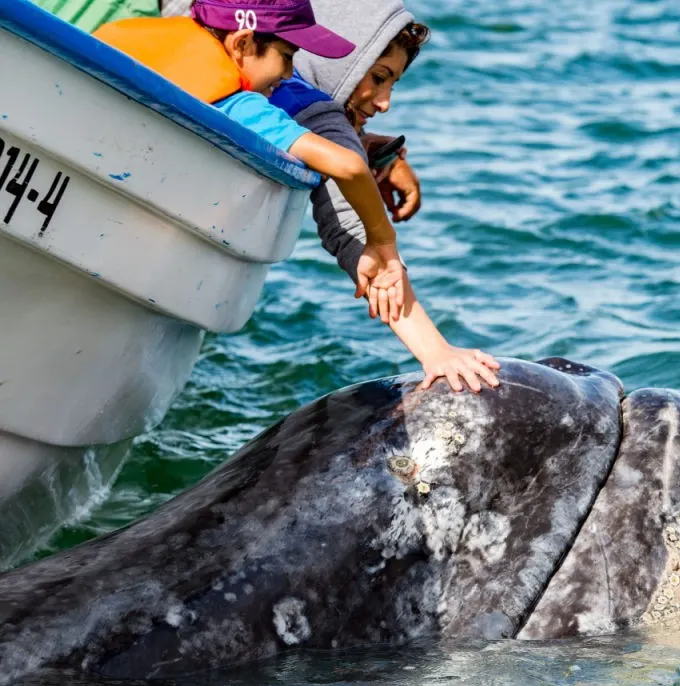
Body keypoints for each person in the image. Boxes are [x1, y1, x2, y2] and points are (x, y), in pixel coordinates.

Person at [95, 0, 408, 324]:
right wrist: (382, 239)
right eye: (286, 56)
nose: (289, 74)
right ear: (242, 43)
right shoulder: (239, 105)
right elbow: (350, 166)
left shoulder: (131, 39)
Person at [267, 0, 501, 393]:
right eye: (377, 77)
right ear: (338, 59)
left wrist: (377, 151)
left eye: (392, 83)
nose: (384, 102)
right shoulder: (319, 115)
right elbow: (357, 233)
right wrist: (435, 352)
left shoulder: (247, 61)